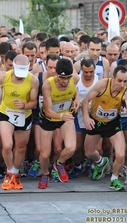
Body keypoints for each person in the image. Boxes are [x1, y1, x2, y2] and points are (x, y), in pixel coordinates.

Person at [82, 66, 127, 191]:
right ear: (113, 78)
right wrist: (86, 118)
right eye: (119, 81)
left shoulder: (126, 92)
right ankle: (101, 162)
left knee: (121, 154)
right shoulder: (102, 84)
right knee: (88, 152)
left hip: (112, 123)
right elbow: (86, 101)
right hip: (96, 121)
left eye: (125, 81)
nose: (122, 84)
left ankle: (114, 179)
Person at [0, 55, 38, 190]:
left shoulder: (33, 80)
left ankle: (15, 172)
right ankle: (9, 171)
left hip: (23, 114)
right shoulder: (3, 77)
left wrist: (24, 105)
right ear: (12, 66)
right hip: (6, 112)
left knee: (21, 147)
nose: (20, 76)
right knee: (7, 145)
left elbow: (34, 103)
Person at [38, 58, 79, 189]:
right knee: (44, 154)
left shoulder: (75, 79)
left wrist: (77, 98)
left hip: (65, 117)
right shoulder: (47, 85)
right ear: (56, 74)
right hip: (49, 119)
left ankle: (59, 163)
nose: (65, 81)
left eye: (68, 78)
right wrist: (61, 115)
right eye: (62, 78)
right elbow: (48, 111)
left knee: (71, 148)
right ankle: (45, 173)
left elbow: (74, 89)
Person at [70, 57, 99, 179]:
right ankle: (78, 165)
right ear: (81, 69)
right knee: (77, 146)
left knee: (96, 147)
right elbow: (70, 96)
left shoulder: (99, 80)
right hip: (79, 116)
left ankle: (93, 166)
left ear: (94, 69)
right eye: (85, 72)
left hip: (94, 116)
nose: (88, 74)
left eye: (91, 72)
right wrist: (78, 104)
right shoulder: (76, 80)